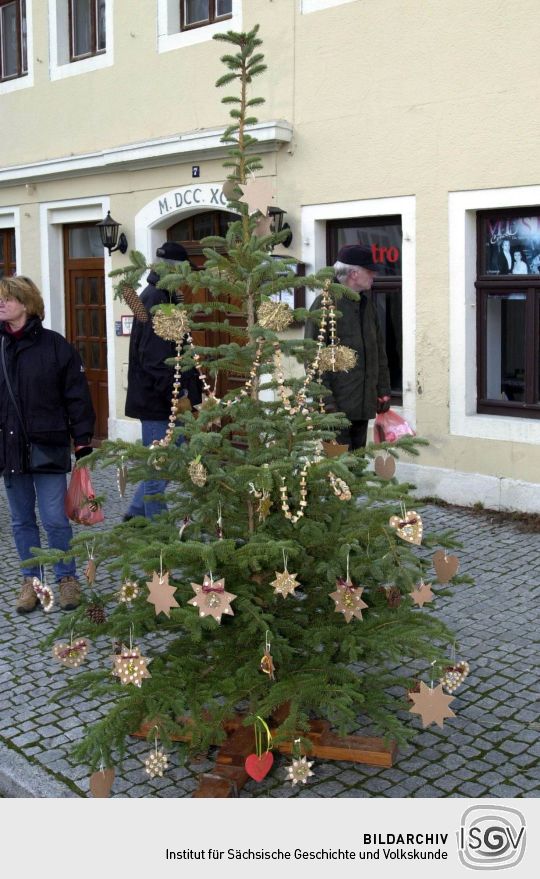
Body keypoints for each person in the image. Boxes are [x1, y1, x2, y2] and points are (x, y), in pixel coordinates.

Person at [0, 276, 95, 613]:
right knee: (21, 520)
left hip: (48, 445)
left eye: (7, 299)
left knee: (54, 517)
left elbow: (77, 396)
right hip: (9, 450)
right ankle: (32, 581)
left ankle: (66, 579)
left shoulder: (55, 346)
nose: (1, 304)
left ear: (26, 305)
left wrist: (82, 440)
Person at [124, 241, 203, 519]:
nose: (189, 278)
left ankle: (135, 513)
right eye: (186, 272)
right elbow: (156, 360)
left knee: (166, 462)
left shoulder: (163, 296)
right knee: (159, 467)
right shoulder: (156, 299)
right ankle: (159, 530)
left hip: (165, 399)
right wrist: (178, 395)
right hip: (160, 402)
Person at [304, 244, 392, 450]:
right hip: (335, 407)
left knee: (356, 465)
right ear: (353, 273)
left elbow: (378, 351)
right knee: (338, 471)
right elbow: (313, 357)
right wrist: (325, 401)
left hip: (362, 405)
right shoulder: (325, 305)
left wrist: (383, 390)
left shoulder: (366, 303)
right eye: (370, 271)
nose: (374, 275)